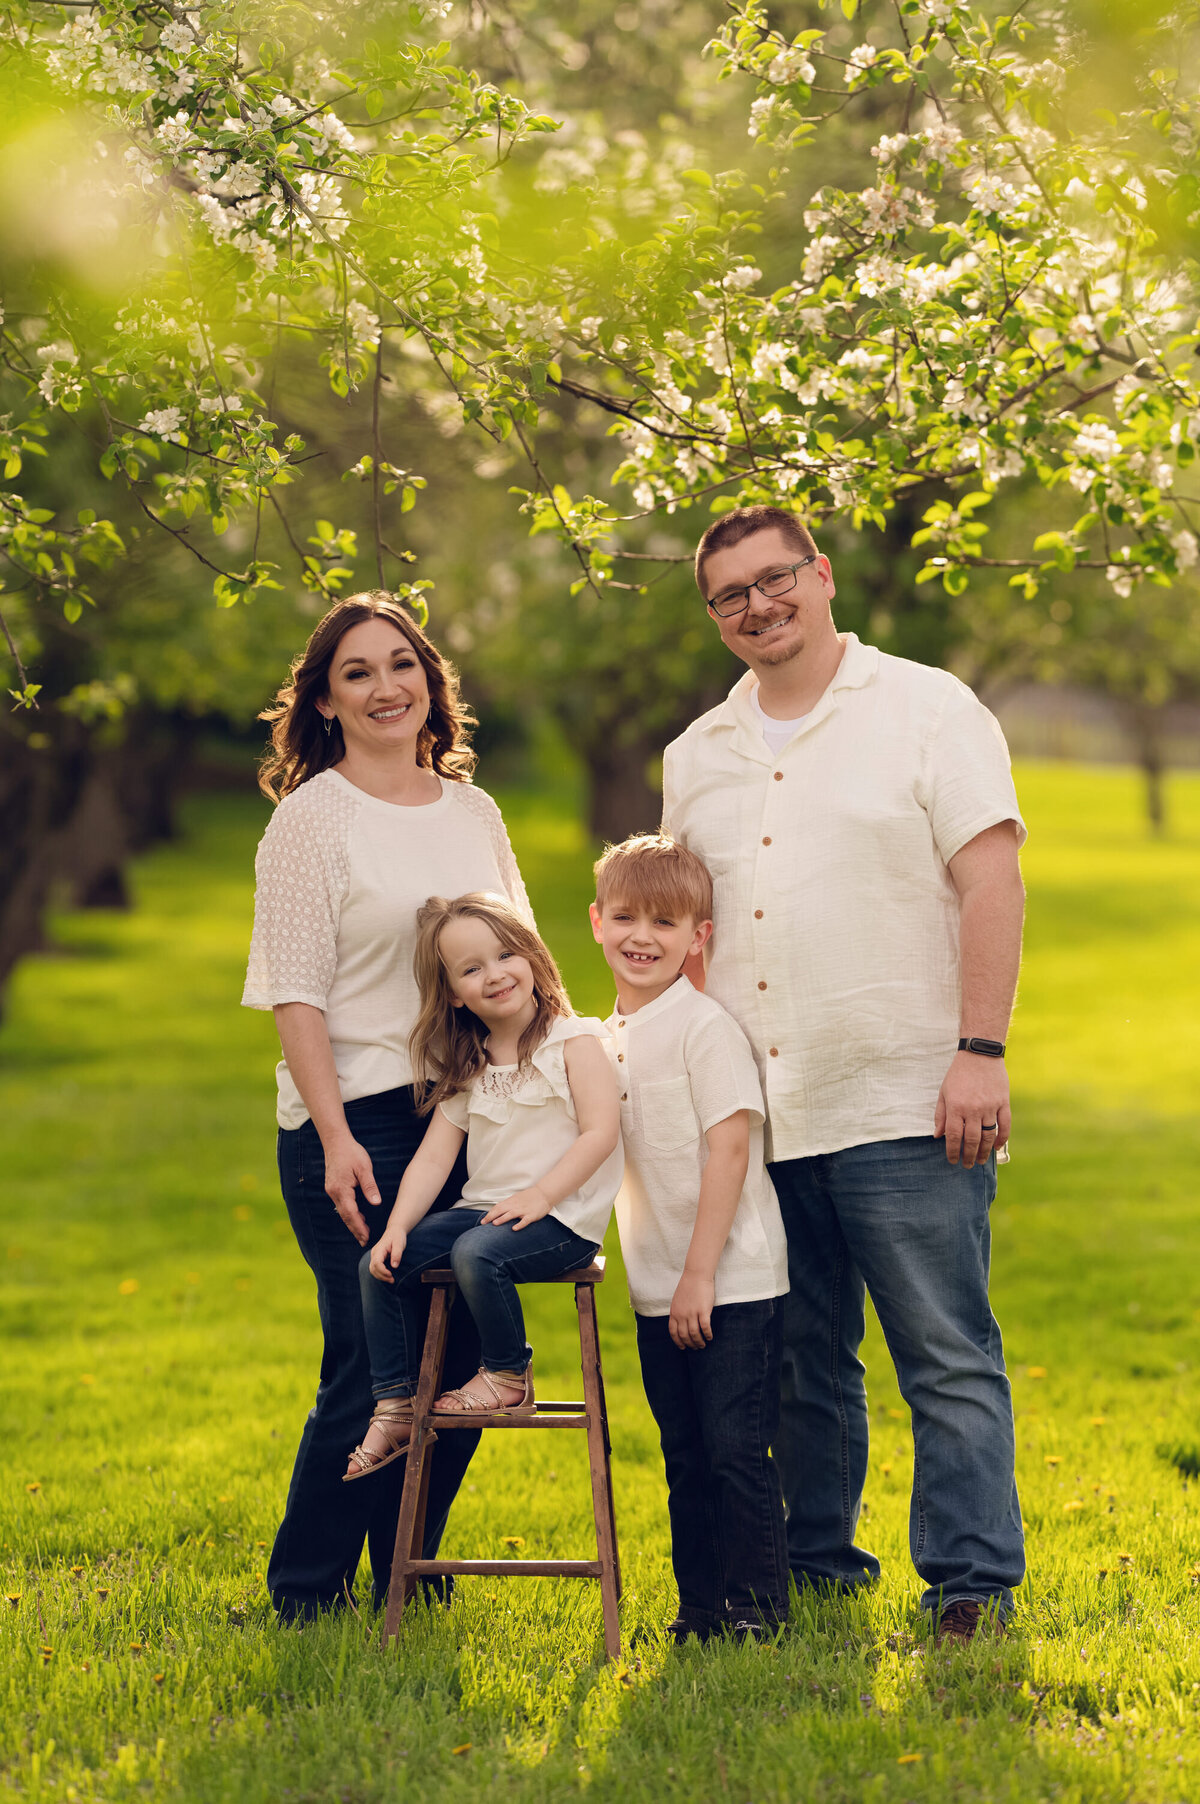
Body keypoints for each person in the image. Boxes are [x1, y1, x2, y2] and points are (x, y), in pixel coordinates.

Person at [661, 505, 1027, 1645]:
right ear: (715, 616)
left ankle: (969, 1580)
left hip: (907, 1093)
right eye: (732, 595)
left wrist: (980, 1051)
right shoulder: (695, 755)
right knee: (803, 1362)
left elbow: (993, 884)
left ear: (821, 576)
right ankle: (818, 1565)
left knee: (944, 1352)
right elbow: (681, 932)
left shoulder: (928, 708)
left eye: (777, 580)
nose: (759, 606)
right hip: (762, 1115)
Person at [242, 592, 534, 1621]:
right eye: (356, 672)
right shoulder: (310, 818)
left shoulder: (473, 811)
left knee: (459, 1361)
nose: (385, 688)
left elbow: (518, 966)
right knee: (373, 1361)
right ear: (324, 698)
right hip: (356, 1123)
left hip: (468, 1116)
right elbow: (295, 991)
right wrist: (331, 1137)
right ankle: (307, 1591)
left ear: (431, 682)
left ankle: (407, 1564)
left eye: (400, 664)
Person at [590, 833, 789, 1644]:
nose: (644, 936)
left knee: (735, 1450)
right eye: (628, 917)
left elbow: (730, 1149)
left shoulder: (703, 1029)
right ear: (597, 922)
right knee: (683, 1453)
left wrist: (700, 1275)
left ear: (698, 937)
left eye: (666, 923)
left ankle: (759, 1609)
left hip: (729, 1280)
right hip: (654, 1280)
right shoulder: (599, 1040)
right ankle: (701, 1609)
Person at [347, 892, 622, 1475]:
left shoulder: (574, 1042)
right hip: (487, 1212)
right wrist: (398, 1226)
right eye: (472, 969)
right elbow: (432, 1160)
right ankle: (394, 1404)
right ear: (453, 992)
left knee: (477, 1252)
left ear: (531, 956)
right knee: (379, 1262)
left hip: (561, 1218)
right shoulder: (470, 1063)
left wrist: (542, 1195)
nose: (494, 975)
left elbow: (600, 1134)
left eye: (505, 955)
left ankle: (507, 1373)